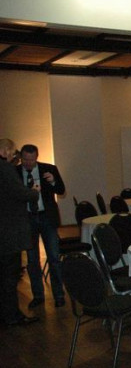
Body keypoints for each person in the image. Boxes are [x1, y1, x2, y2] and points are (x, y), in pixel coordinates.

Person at [17, 144, 67, 309]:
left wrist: (53, 181)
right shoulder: (16, 172)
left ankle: (59, 295)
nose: (28, 163)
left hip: (46, 217)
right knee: (32, 260)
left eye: (32, 160)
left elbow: (61, 190)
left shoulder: (49, 169)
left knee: (54, 257)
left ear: (36, 157)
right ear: (21, 158)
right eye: (25, 159)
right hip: (27, 218)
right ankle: (38, 295)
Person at [0, 139, 40, 326]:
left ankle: (5, 314)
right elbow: (20, 194)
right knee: (10, 276)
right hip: (9, 232)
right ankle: (12, 316)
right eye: (13, 152)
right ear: (6, 151)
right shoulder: (6, 169)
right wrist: (34, 192)